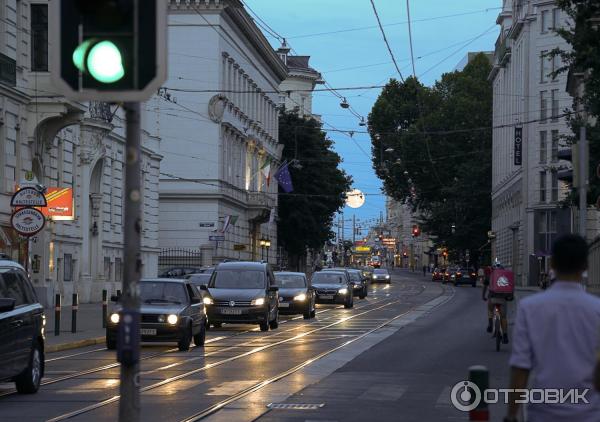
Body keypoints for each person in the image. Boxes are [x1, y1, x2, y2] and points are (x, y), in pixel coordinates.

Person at [504, 234, 600, 422]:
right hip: (589, 413)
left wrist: (511, 415)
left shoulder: (529, 307)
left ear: (552, 264)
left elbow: (521, 368)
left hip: (544, 412)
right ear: (586, 266)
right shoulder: (596, 309)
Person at [482, 262, 510, 344]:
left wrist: (483, 296)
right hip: (503, 299)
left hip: (493, 298)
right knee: (503, 317)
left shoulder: (490, 276)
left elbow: (485, 286)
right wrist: (509, 296)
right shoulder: (506, 276)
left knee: (490, 310)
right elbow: (511, 287)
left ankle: (490, 324)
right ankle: (505, 335)